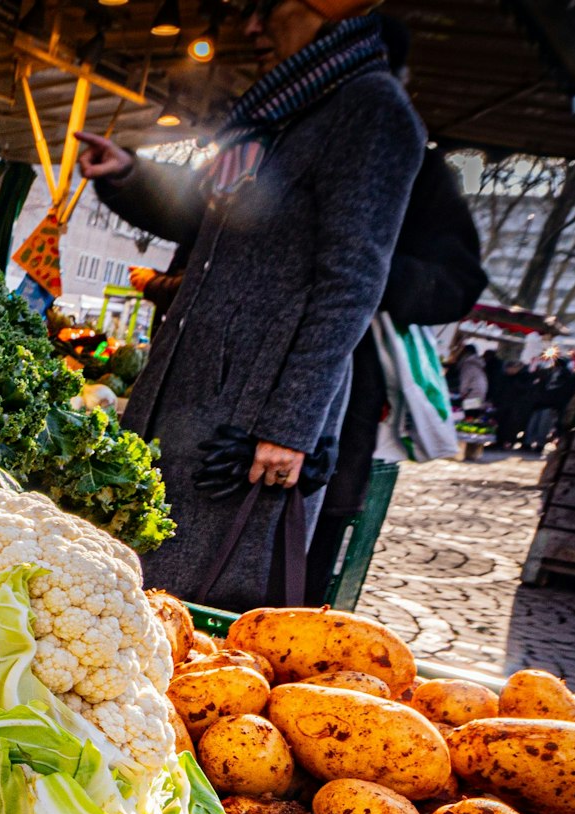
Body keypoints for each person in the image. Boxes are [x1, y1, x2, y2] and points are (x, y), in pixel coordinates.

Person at [75, 0, 424, 610]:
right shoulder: (283, 111)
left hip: (249, 419)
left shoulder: (371, 110)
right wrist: (131, 174)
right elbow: (209, 219)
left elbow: (353, 280)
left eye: (272, 6)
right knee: (138, 578)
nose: (252, 25)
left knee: (199, 597)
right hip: (191, 391)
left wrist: (288, 428)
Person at [305, 14, 487, 584]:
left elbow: (457, 283)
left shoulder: (417, 164)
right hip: (228, 397)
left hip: (335, 406)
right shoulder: (286, 138)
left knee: (298, 565)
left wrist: (362, 270)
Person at [496, 360, 535, 449]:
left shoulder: (524, 376)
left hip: (517, 404)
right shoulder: (505, 377)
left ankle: (509, 441)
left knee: (512, 424)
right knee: (502, 422)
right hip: (505, 403)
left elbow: (525, 390)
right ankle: (500, 441)